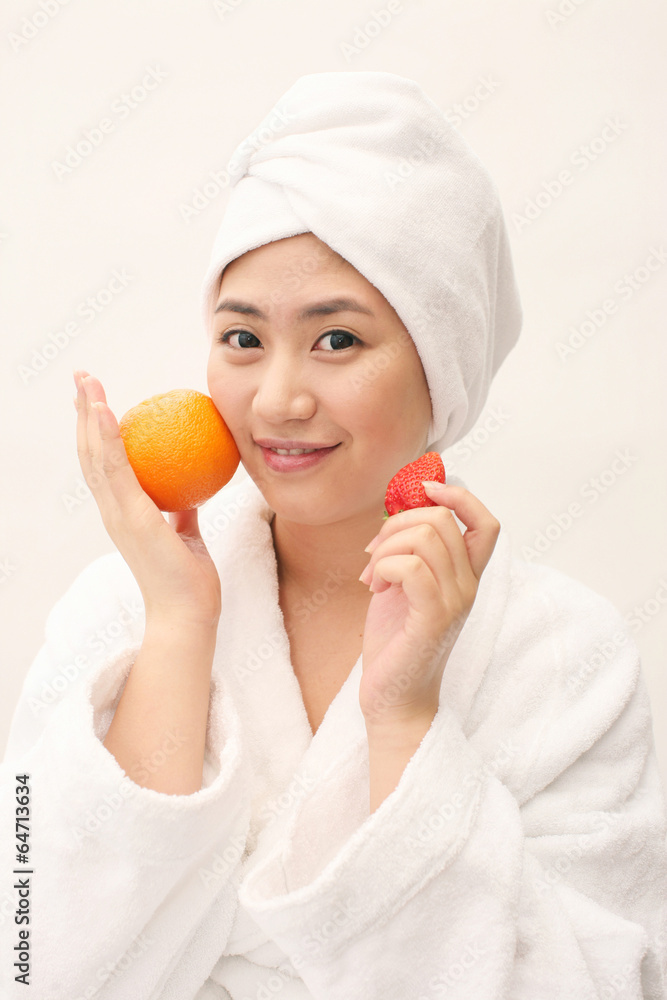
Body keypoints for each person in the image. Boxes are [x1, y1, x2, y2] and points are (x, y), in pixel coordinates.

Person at [1, 71, 666, 1000]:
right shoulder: (118, 610)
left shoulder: (561, 656)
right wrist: (179, 629)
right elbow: (32, 957)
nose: (278, 400)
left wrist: (404, 721)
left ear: (440, 366)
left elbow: (597, 982)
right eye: (243, 339)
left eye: (337, 340)